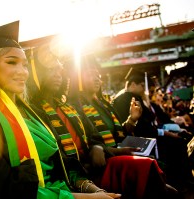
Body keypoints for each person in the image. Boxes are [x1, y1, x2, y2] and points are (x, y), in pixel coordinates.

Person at [0, 21, 121, 199]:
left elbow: (60, 162)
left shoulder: (31, 112)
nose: (22, 71)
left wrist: (88, 187)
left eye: (24, 64)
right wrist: (81, 198)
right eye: (12, 62)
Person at [27, 47, 178, 199]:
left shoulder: (70, 108)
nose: (58, 76)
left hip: (96, 165)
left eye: (60, 71)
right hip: (78, 174)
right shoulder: (35, 113)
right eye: (52, 70)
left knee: (160, 179)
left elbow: (94, 137)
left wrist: (100, 145)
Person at [112, 67, 194, 193]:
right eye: (141, 85)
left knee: (176, 141)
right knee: (176, 144)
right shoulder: (128, 99)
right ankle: (182, 183)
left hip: (141, 136)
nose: (144, 89)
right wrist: (165, 133)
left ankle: (182, 182)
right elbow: (142, 126)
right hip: (138, 139)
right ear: (133, 84)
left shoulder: (126, 98)